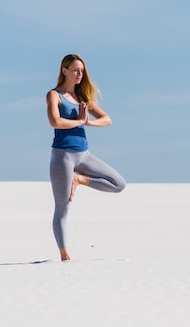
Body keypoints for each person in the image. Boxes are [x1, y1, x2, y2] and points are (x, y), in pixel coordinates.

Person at [46, 54, 126, 261]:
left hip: (84, 155)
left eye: (82, 71)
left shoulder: (83, 99)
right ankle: (65, 256)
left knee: (119, 184)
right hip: (63, 157)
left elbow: (107, 120)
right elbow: (55, 122)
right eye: (75, 70)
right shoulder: (54, 95)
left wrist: (88, 123)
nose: (80, 74)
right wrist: (79, 121)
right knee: (62, 208)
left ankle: (79, 179)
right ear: (64, 71)